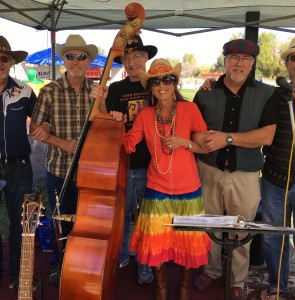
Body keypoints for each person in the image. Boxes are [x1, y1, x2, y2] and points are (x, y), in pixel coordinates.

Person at [111, 58, 211, 300]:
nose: (162, 85)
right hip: (157, 188)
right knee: (156, 243)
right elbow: (129, 144)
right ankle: (162, 287)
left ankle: (185, 287)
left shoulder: (190, 110)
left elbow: (205, 147)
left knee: (188, 242)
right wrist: (118, 124)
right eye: (156, 81)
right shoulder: (146, 114)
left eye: (167, 79)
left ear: (175, 83)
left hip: (188, 189)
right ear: (151, 87)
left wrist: (184, 143)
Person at [192, 39, 278, 300]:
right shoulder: (206, 91)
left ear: (252, 64)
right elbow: (193, 128)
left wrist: (226, 138)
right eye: (234, 58)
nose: (239, 63)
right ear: (225, 61)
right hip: (209, 170)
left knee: (243, 229)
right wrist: (202, 140)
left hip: (246, 175)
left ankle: (238, 280)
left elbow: (267, 136)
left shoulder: (267, 94)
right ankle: (212, 269)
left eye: (245, 59)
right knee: (210, 224)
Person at [29, 34, 99, 285]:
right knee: (62, 221)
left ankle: (86, 264)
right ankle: (61, 264)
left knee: (89, 224)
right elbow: (35, 129)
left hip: (93, 173)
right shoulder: (49, 91)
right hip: (58, 169)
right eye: (71, 56)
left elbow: (107, 126)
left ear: (88, 61)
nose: (76, 61)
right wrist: (62, 143)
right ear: (64, 60)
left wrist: (101, 105)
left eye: (81, 57)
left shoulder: (97, 91)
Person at [105, 35, 157, 284]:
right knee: (122, 215)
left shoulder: (156, 85)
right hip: (123, 162)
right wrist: (111, 115)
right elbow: (105, 122)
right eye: (127, 57)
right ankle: (124, 254)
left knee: (147, 218)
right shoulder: (115, 89)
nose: (132, 61)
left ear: (146, 57)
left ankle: (145, 263)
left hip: (151, 164)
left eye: (137, 55)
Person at [260, 36, 295, 300]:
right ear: (287, 64)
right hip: (275, 179)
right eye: (294, 58)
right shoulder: (275, 96)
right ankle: (278, 287)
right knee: (274, 238)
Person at [0, 36, 38, 288]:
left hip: (19, 166)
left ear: (11, 62)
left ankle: (17, 274)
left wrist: (43, 126)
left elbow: (40, 120)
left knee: (20, 223)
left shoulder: (25, 91)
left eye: (3, 58)